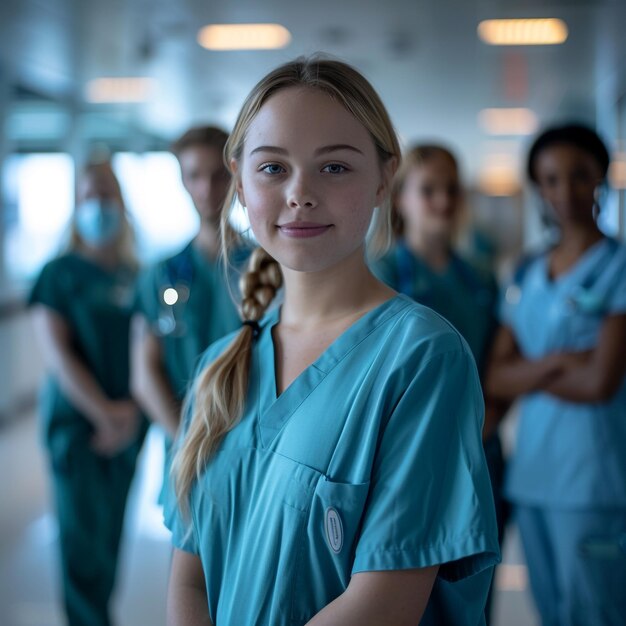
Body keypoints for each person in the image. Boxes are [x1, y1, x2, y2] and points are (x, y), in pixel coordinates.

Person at [165, 57, 500, 626]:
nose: (300, 194)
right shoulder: (222, 366)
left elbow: (382, 607)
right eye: (273, 168)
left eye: (335, 168)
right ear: (240, 181)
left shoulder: (421, 359)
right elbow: (190, 582)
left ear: (382, 180)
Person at [486, 123, 626, 625]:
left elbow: (598, 384)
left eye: (579, 176)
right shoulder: (525, 271)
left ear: (600, 180)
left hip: (593, 481)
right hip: (533, 479)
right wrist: (561, 361)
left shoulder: (619, 266)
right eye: (550, 179)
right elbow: (495, 378)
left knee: (596, 612)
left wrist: (528, 369)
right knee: (551, 612)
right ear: (538, 188)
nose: (564, 191)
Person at [370, 144, 507, 623]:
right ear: (400, 197)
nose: (443, 201)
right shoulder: (381, 277)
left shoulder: (479, 279)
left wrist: (487, 425)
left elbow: (498, 367)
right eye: (428, 190)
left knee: (471, 593)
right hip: (408, 460)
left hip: (478, 451)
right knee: (408, 595)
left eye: (451, 189)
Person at [29, 161, 147, 626]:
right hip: (77, 426)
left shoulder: (138, 276)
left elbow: (152, 351)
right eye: (88, 197)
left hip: (129, 425)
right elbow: (57, 355)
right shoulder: (58, 275)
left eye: (107, 195)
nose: (98, 206)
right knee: (80, 547)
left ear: (123, 204)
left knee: (109, 543)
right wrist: (104, 414)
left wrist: (132, 414)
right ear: (75, 207)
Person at [131, 126, 244, 493]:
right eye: (195, 176)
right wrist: (185, 439)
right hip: (186, 446)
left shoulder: (268, 267)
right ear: (182, 180)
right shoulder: (161, 275)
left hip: (255, 444)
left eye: (218, 176)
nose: (207, 190)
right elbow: (144, 371)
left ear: (236, 176)